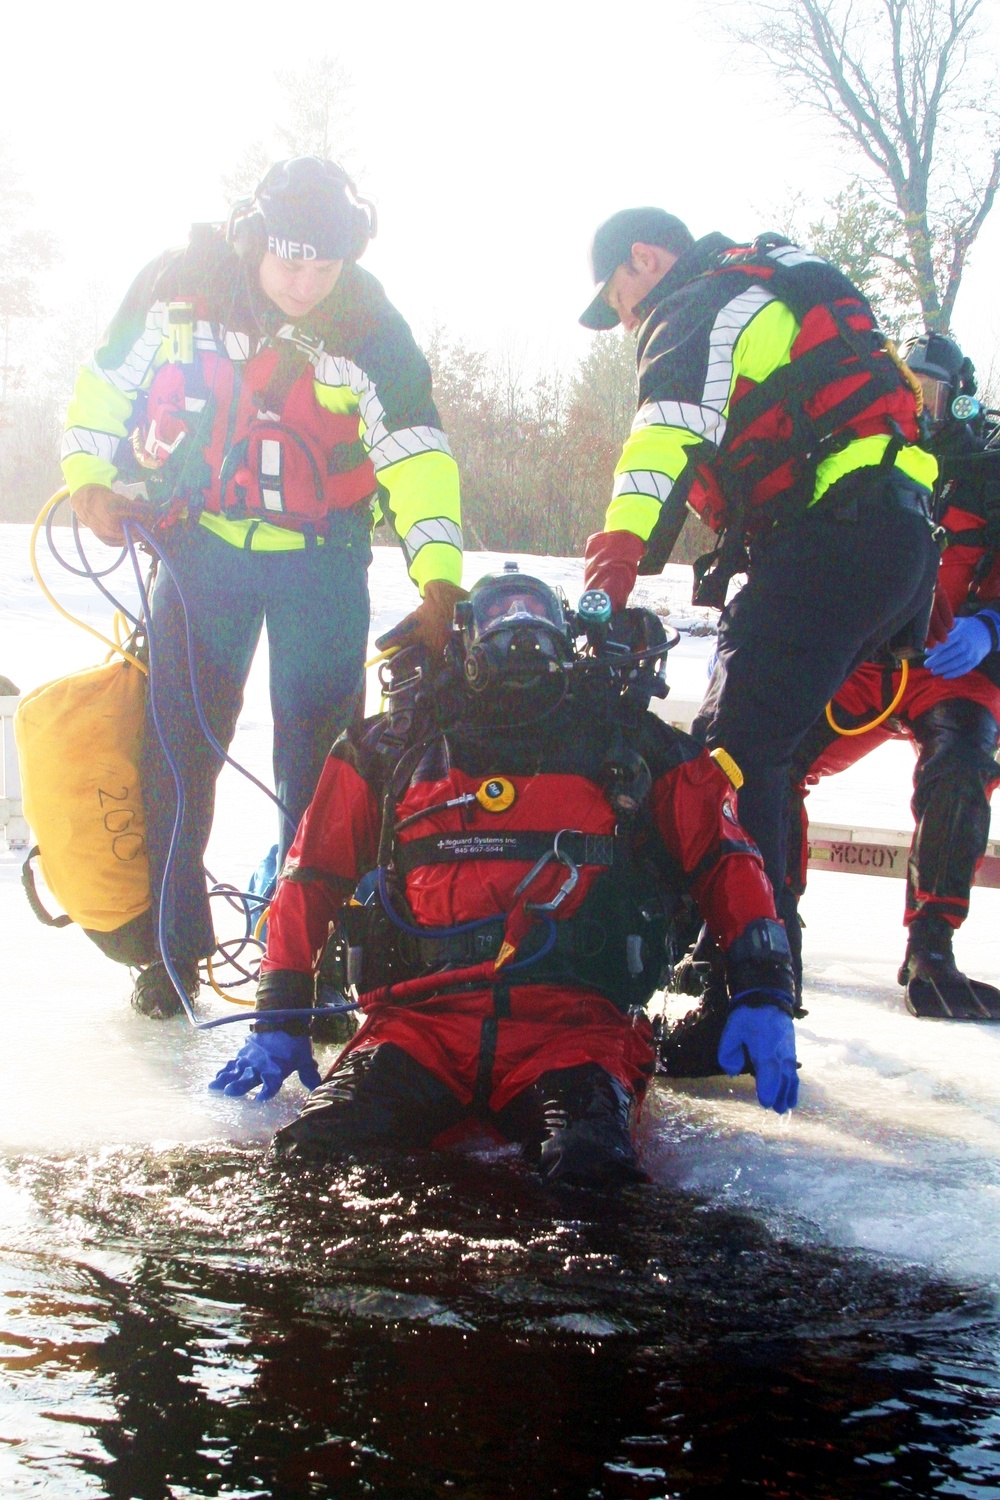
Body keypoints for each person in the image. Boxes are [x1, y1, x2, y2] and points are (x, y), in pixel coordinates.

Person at [210, 567, 801, 1189]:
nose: (520, 629)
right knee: (313, 1158)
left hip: (575, 1033)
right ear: (465, 637)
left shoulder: (633, 747)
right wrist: (279, 1015)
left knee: (589, 1173)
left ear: (568, 635)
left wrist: (764, 990)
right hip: (418, 1028)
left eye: (535, 610)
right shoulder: (391, 746)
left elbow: (727, 857)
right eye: (499, 613)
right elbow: (311, 875)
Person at [62, 157, 465, 1018]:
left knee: (321, 775)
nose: (306, 283)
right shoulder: (184, 285)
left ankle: (309, 961)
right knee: (177, 754)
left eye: (326, 267)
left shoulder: (370, 325)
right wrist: (91, 471)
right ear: (253, 241)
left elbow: (417, 455)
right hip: (200, 548)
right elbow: (105, 382)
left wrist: (437, 576)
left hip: (321, 560)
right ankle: (168, 957)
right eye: (290, 262)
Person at [578, 208, 940, 944]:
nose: (624, 324)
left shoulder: (692, 306)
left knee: (732, 757)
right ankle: (762, 948)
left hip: (837, 539)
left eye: (617, 301)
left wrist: (610, 571)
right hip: (895, 537)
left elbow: (660, 443)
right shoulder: (768, 284)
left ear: (644, 261)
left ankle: (748, 978)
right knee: (769, 751)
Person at [786, 335, 1000, 1019]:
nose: (921, 409)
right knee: (766, 757)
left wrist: (990, 628)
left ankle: (931, 943)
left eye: (932, 395)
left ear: (959, 398)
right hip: (866, 659)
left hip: (949, 666)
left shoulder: (991, 473)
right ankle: (764, 920)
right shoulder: (857, 450)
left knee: (962, 766)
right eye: (909, 392)